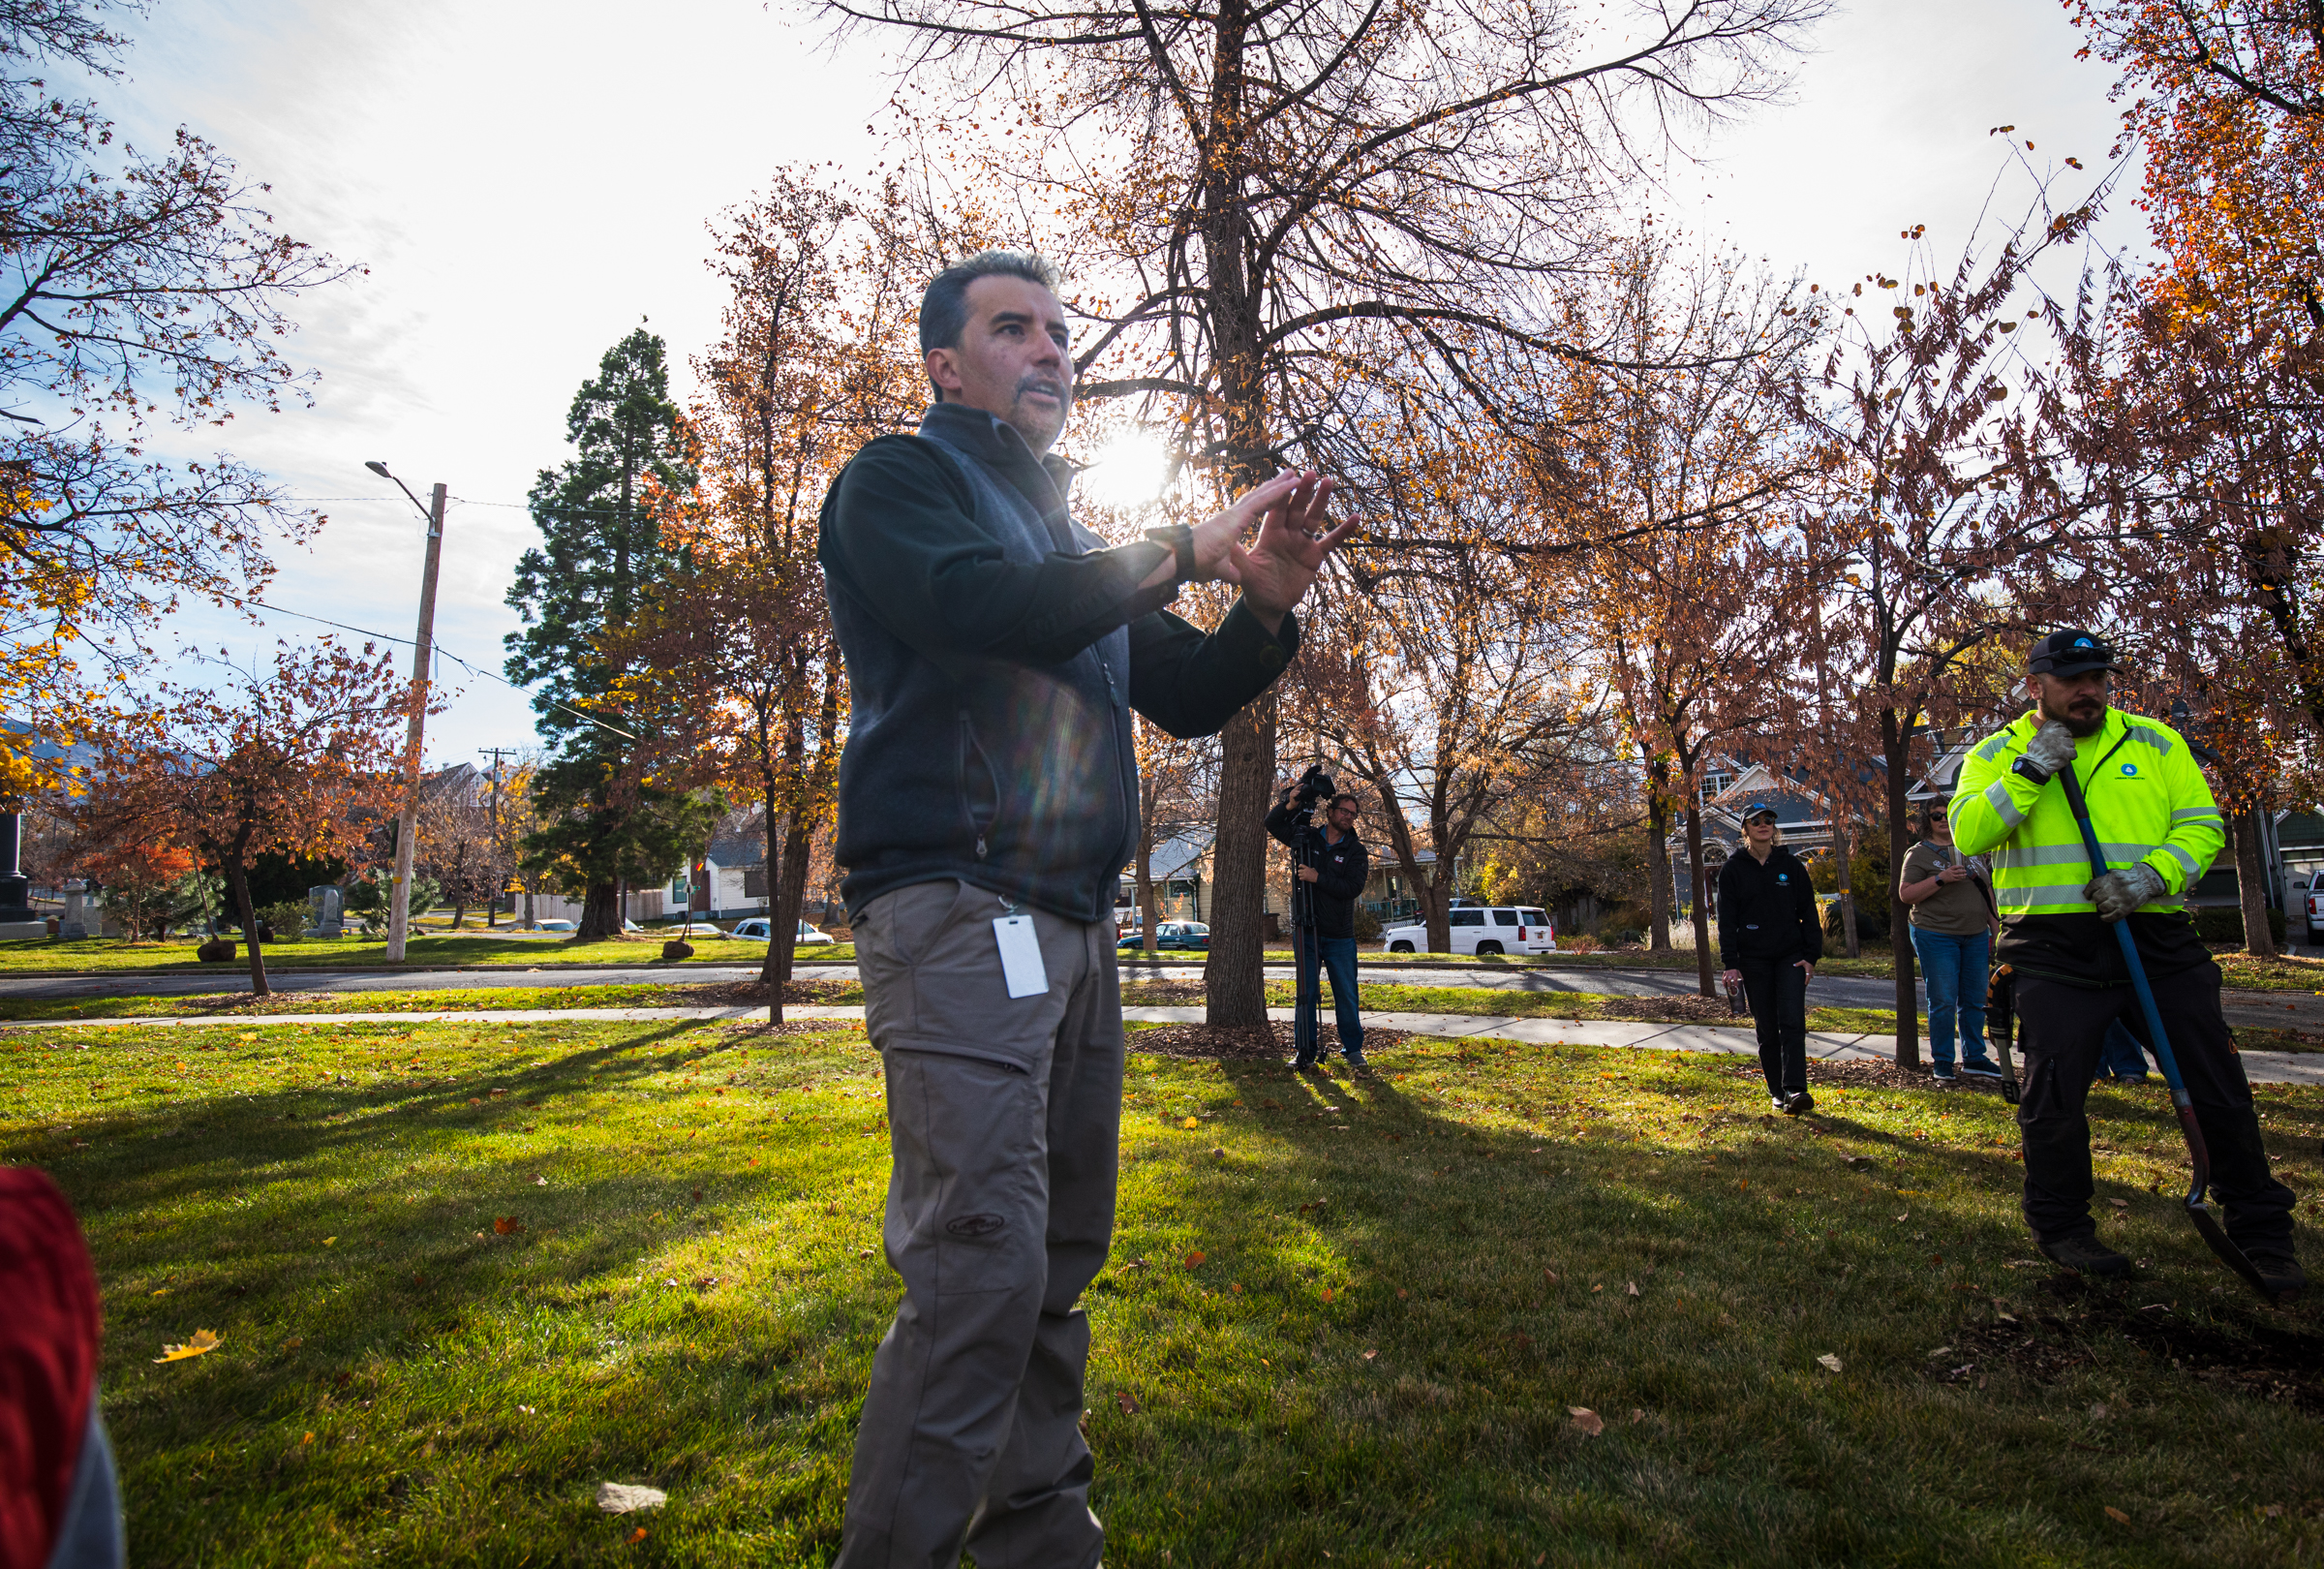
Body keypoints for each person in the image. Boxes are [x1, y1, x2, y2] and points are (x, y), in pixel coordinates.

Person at [816, 248, 1354, 1568]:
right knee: (977, 1273)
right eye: (1016, 330)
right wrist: (1183, 542)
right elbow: (976, 606)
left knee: (1053, 1267)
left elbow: (1176, 689)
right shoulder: (899, 484)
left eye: (1062, 331)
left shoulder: (1070, 540)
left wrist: (1267, 611)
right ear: (948, 365)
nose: (1054, 349)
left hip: (1071, 926)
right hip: (952, 906)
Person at [1952, 628, 2302, 1294]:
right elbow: (1971, 834)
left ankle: (2261, 1231)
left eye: (2099, 678)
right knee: (2053, 1097)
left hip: (2155, 938)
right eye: (2072, 680)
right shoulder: (1996, 753)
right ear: (2036, 687)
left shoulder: (2154, 741)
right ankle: (2063, 1228)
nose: (2089, 691)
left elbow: (2200, 826)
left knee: (2216, 1083)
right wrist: (2031, 771)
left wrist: (2149, 875)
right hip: (2052, 948)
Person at [1717, 802, 1823, 1117]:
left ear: (1773, 827)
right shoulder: (1733, 869)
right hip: (1753, 959)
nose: (1764, 824)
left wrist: (1810, 956)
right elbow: (1727, 921)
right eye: (1756, 821)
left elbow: (1808, 913)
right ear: (1745, 829)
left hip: (1791, 957)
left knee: (1792, 1021)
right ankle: (1777, 1092)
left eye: (1769, 820)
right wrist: (1730, 963)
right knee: (1767, 1027)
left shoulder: (1790, 866)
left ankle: (1796, 1089)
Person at [1896, 797, 2004, 1083]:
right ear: (1927, 821)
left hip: (1976, 934)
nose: (1943, 819)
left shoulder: (1971, 849)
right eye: (1936, 815)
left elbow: (1987, 891)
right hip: (1936, 934)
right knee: (1943, 999)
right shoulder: (1917, 854)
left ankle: (1974, 1058)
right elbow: (1906, 895)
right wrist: (1941, 878)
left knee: (1974, 999)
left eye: (1949, 814)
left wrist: (1996, 928)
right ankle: (1942, 1061)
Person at [1267, 785, 1370, 1071]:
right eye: (1343, 811)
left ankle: (1353, 1050)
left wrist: (1316, 877)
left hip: (1339, 937)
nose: (1348, 816)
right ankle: (1305, 1052)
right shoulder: (1307, 839)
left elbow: (1352, 888)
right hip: (1307, 932)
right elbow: (1272, 824)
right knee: (1306, 994)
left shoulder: (1356, 851)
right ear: (1330, 812)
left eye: (1353, 813)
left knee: (1346, 995)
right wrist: (1291, 803)